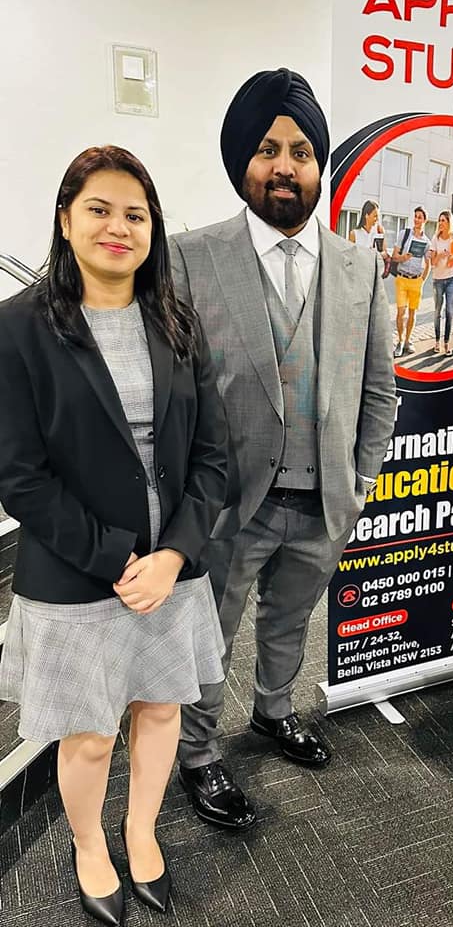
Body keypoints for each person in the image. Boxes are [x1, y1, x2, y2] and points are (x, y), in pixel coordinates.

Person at [0, 146, 229, 924]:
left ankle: (140, 829)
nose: (118, 226)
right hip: (77, 572)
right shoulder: (18, 328)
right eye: (99, 209)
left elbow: (214, 455)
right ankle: (89, 843)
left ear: (152, 229)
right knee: (91, 735)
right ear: (66, 220)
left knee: (160, 709)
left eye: (136, 214)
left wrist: (174, 554)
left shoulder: (175, 320)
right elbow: (19, 475)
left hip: (171, 572)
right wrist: (119, 557)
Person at [169, 68, 396, 829]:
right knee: (209, 635)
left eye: (301, 151)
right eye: (267, 149)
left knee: (290, 620)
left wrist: (359, 481)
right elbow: (174, 395)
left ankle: (272, 711)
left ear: (319, 163)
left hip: (325, 497)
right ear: (242, 160)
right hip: (228, 502)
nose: (285, 167)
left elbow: (379, 391)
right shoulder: (190, 257)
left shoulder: (361, 267)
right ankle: (198, 753)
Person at [391, 206, 431, 357]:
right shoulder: (404, 234)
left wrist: (422, 281)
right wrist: (403, 257)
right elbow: (394, 256)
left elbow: (428, 264)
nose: (416, 220)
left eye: (420, 217)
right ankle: (400, 341)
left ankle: (408, 340)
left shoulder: (426, 242)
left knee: (412, 313)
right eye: (415, 216)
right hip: (402, 278)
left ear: (425, 220)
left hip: (416, 281)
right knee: (401, 312)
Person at [428, 209, 453, 356]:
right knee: (437, 312)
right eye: (439, 220)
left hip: (451, 278)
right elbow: (433, 263)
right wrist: (440, 255)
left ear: (449, 222)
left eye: (443, 220)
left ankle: (446, 343)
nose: (440, 223)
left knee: (449, 311)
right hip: (438, 280)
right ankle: (437, 342)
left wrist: (452, 257)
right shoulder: (435, 239)